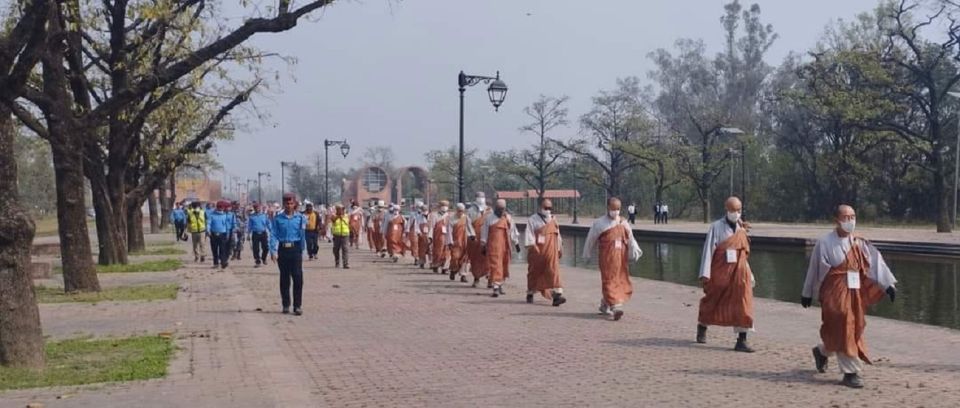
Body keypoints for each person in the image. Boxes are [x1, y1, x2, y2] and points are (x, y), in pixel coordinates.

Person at [801, 204, 897, 389]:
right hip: (833, 292)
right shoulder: (825, 242)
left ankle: (822, 351)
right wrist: (807, 292)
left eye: (853, 217)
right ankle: (850, 372)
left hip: (854, 292)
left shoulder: (859, 242)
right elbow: (814, 269)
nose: (850, 221)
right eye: (846, 218)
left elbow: (875, 264)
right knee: (845, 322)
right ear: (837, 220)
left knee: (849, 327)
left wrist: (888, 285)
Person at [696, 196, 756, 352]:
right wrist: (705, 274)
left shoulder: (741, 229)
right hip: (720, 272)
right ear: (726, 210)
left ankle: (741, 339)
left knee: (743, 301)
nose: (736, 213)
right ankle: (702, 325)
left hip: (739, 272)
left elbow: (744, 254)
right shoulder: (716, 227)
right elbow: (708, 250)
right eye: (733, 210)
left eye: (738, 210)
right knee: (713, 300)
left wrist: (750, 274)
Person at [582, 197, 642, 321]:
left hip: (621, 258)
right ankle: (616, 307)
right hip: (607, 258)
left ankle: (605, 304)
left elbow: (630, 238)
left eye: (618, 209)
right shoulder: (599, 223)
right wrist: (586, 254)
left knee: (619, 280)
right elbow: (590, 239)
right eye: (613, 209)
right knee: (609, 280)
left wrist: (635, 250)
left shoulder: (623, 223)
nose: (616, 211)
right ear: (608, 208)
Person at [269, 192, 307, 315]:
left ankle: (297, 306)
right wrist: (273, 251)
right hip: (283, 250)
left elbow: (302, 235)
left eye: (291, 203)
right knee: (284, 278)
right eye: (287, 203)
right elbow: (273, 234)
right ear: (283, 204)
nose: (289, 205)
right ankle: (286, 304)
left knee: (298, 277)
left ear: (294, 204)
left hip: (295, 249)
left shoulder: (300, 218)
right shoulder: (278, 219)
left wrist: (303, 251)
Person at [525, 199, 565, 306]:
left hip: (551, 252)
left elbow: (558, 235)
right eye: (546, 208)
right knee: (534, 273)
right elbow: (529, 234)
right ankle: (530, 292)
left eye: (550, 208)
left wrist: (560, 248)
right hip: (538, 252)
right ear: (540, 207)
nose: (548, 210)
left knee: (554, 271)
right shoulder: (532, 219)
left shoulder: (554, 220)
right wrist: (533, 245)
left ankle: (557, 295)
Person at [481, 199, 520, 298]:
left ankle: (500, 284)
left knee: (503, 265)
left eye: (502, 209)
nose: (500, 211)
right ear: (495, 208)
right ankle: (495, 287)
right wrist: (483, 245)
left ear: (505, 209)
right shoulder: (489, 218)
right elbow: (484, 233)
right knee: (495, 266)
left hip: (505, 247)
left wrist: (517, 244)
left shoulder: (508, 218)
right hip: (493, 247)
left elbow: (513, 232)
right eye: (499, 209)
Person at [466, 192, 491, 288]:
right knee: (475, 259)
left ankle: (490, 279)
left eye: (483, 197)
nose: (481, 199)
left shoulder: (489, 211)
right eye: (479, 197)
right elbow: (468, 224)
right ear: (476, 198)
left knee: (488, 259)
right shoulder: (470, 211)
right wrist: (471, 235)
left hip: (487, 239)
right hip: (475, 239)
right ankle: (476, 278)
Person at [445, 203, 474, 282]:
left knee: (465, 259)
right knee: (455, 258)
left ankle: (463, 275)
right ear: (456, 210)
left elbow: (470, 227)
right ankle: (453, 270)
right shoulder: (451, 219)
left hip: (465, 242)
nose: (460, 212)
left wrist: (472, 235)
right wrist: (450, 242)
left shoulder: (466, 218)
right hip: (456, 242)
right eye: (459, 211)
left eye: (462, 211)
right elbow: (449, 231)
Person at [207, 200, 232, 269]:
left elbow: (227, 226)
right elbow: (209, 223)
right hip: (213, 234)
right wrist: (208, 230)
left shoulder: (225, 215)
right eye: (219, 207)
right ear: (217, 207)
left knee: (222, 249)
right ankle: (215, 263)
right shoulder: (212, 215)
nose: (220, 208)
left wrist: (228, 233)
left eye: (222, 207)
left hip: (222, 234)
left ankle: (223, 262)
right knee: (214, 249)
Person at [430, 201, 452, 274]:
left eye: (446, 206)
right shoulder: (434, 215)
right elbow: (432, 227)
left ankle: (445, 267)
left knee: (447, 252)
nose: (444, 207)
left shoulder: (449, 216)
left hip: (447, 236)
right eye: (443, 205)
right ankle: (436, 265)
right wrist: (430, 237)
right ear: (439, 207)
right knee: (437, 251)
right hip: (437, 237)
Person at [247, 202, 270, 268]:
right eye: (256, 208)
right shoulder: (252, 217)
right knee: (255, 249)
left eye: (258, 207)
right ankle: (257, 261)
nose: (257, 209)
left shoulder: (264, 215)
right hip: (255, 234)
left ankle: (263, 258)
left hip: (263, 233)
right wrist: (248, 234)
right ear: (254, 209)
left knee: (266, 247)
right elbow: (249, 226)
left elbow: (268, 224)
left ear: (260, 208)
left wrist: (271, 231)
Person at [330, 204, 351, 269]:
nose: (341, 210)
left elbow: (349, 223)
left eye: (342, 209)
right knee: (336, 249)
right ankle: (337, 261)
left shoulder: (347, 216)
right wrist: (338, 217)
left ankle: (345, 264)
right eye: (339, 209)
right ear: (337, 210)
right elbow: (333, 220)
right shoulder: (334, 216)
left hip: (345, 235)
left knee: (345, 249)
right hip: (337, 235)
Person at [414, 203, 431, 269]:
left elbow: (433, 226)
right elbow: (416, 226)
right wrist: (419, 233)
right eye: (423, 210)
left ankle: (431, 263)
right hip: (422, 236)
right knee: (422, 250)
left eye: (425, 210)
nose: (424, 211)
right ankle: (422, 262)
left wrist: (430, 236)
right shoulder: (418, 217)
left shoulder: (431, 217)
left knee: (430, 250)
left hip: (429, 236)